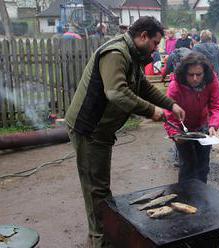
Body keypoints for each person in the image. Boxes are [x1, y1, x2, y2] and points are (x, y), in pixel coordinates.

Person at [65, 16, 185, 248]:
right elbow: (116, 93)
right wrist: (152, 111)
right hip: (89, 129)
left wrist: (171, 105)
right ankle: (100, 240)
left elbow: (144, 86)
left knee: (100, 186)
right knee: (96, 190)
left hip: (102, 131)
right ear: (143, 36)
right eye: (154, 43)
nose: (156, 48)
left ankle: (102, 235)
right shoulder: (117, 54)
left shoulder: (133, 54)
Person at [163, 52, 219, 183]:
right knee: (187, 165)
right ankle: (184, 196)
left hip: (203, 126)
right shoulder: (175, 86)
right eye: (191, 75)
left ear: (204, 73)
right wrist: (174, 134)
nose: (195, 78)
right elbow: (168, 112)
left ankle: (201, 196)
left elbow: (216, 106)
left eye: (199, 74)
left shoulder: (211, 81)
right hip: (182, 130)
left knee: (203, 166)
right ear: (185, 73)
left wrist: (214, 125)